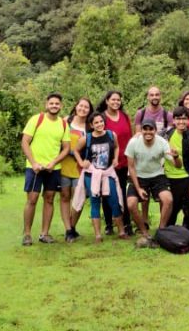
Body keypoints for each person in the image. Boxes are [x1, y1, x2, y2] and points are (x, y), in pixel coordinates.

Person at [21, 93, 71, 246]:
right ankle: (27, 234)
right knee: (32, 199)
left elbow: (66, 148)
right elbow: (25, 142)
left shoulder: (63, 124)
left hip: (53, 169)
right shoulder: (36, 119)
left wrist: (54, 162)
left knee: (49, 199)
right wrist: (34, 162)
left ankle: (44, 233)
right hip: (34, 168)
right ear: (46, 104)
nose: (54, 106)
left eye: (57, 104)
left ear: (61, 106)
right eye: (52, 103)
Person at [72, 113, 126, 242]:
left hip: (108, 173)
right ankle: (97, 235)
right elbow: (75, 150)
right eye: (96, 123)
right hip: (92, 174)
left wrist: (116, 158)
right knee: (95, 203)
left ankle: (122, 232)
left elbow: (117, 147)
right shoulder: (87, 138)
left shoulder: (111, 135)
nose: (99, 124)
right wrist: (81, 162)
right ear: (91, 125)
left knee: (115, 201)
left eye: (101, 121)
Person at [125, 117, 175, 247]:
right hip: (139, 176)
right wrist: (138, 187)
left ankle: (161, 231)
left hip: (157, 175)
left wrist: (176, 157)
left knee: (168, 199)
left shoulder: (162, 142)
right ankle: (144, 232)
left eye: (151, 129)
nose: (148, 132)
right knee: (131, 204)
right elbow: (131, 167)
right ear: (141, 130)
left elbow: (176, 164)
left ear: (155, 130)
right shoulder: (133, 143)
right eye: (145, 129)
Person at [163, 105, 189, 233]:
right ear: (173, 120)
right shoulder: (166, 135)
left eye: (184, 119)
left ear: (188, 120)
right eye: (178, 119)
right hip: (170, 178)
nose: (181, 122)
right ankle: (168, 231)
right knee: (172, 207)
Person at [97, 90, 134, 236]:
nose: (116, 102)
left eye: (118, 100)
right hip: (107, 162)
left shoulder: (125, 116)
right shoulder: (101, 118)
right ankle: (109, 224)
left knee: (122, 193)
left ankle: (126, 223)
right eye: (113, 99)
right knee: (106, 192)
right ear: (106, 101)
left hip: (124, 160)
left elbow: (130, 138)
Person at [59, 97, 92, 242]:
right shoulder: (66, 121)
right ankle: (68, 229)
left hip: (80, 167)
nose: (83, 109)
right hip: (63, 165)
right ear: (76, 106)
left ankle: (72, 227)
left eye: (86, 107)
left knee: (79, 198)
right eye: (81, 106)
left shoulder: (89, 127)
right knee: (65, 196)